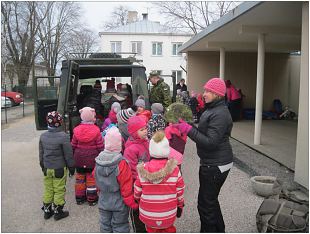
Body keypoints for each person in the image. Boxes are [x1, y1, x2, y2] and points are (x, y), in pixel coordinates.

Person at [173, 78, 233, 233]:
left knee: (205, 205)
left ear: (218, 94)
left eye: (208, 91)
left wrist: (187, 129)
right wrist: (188, 125)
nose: (203, 94)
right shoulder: (213, 109)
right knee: (211, 201)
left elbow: (210, 142)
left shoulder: (220, 114)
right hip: (213, 162)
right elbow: (204, 132)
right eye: (205, 90)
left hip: (215, 165)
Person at [134, 131, 185, 233]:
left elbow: (137, 191)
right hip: (168, 212)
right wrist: (180, 205)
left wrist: (137, 200)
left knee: (151, 230)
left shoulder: (143, 169)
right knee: (169, 229)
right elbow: (180, 191)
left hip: (148, 212)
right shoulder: (174, 169)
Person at [95, 127, 138, 232]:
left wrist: (99, 192)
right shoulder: (122, 163)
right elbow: (126, 187)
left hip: (103, 201)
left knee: (105, 226)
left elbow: (96, 180)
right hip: (119, 203)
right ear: (119, 145)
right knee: (120, 226)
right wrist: (132, 203)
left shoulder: (98, 162)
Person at [39, 111, 75, 220]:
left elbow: (41, 153)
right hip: (59, 168)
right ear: (60, 122)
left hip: (47, 167)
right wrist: (71, 168)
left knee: (48, 188)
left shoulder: (43, 136)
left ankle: (47, 210)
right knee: (59, 189)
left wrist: (42, 165)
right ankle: (58, 211)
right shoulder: (63, 137)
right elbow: (68, 155)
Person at [71, 107, 104, 206]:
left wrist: (72, 156)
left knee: (80, 178)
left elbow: (73, 145)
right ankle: (92, 198)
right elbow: (100, 146)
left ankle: (80, 198)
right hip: (92, 159)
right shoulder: (96, 130)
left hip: (79, 159)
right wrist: (101, 155)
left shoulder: (76, 130)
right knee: (91, 179)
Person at [124, 115, 150, 233]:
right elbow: (131, 169)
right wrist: (141, 178)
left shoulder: (146, 142)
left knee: (146, 206)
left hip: (146, 181)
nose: (145, 131)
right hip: (136, 183)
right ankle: (139, 230)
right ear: (134, 132)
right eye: (141, 129)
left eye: (145, 128)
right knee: (136, 210)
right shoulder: (131, 149)